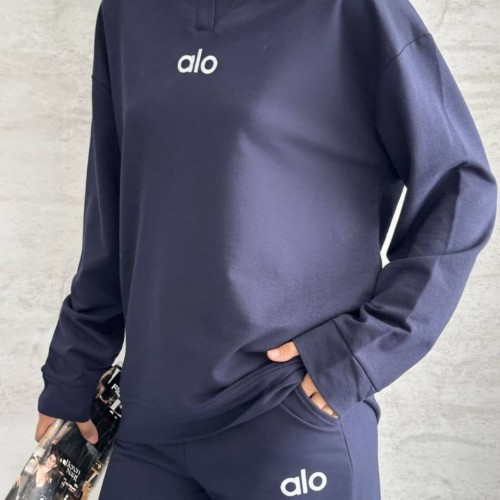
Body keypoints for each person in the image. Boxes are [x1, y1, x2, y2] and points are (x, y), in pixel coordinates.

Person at [34, 0, 497, 498]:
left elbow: (460, 186)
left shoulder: (354, 12)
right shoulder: (127, 14)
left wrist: (361, 352)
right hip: (149, 426)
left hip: (284, 415)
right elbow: (112, 212)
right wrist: (74, 367)